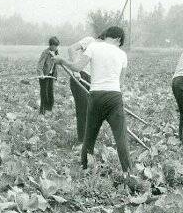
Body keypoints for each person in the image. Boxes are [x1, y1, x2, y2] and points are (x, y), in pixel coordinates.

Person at [54, 26, 130, 173]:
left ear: (107, 35)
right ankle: (128, 172)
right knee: (121, 137)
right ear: (118, 39)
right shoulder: (122, 55)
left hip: (96, 96)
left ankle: (84, 168)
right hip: (114, 96)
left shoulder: (94, 47)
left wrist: (61, 60)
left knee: (89, 137)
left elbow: (77, 67)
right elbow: (121, 83)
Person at [65, 35, 97, 143]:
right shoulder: (90, 41)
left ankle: (88, 139)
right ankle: (82, 142)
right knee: (83, 110)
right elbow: (71, 48)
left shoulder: (105, 50)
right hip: (79, 76)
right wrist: (75, 70)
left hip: (91, 79)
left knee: (91, 110)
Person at [37, 37, 60, 114]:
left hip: (51, 76)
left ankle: (49, 109)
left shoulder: (56, 53)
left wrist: (55, 75)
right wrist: (41, 74)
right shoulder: (45, 53)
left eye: (57, 46)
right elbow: (39, 65)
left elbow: (56, 66)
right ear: (51, 45)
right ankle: (42, 111)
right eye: (55, 46)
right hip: (44, 76)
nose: (56, 47)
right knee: (44, 93)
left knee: (50, 92)